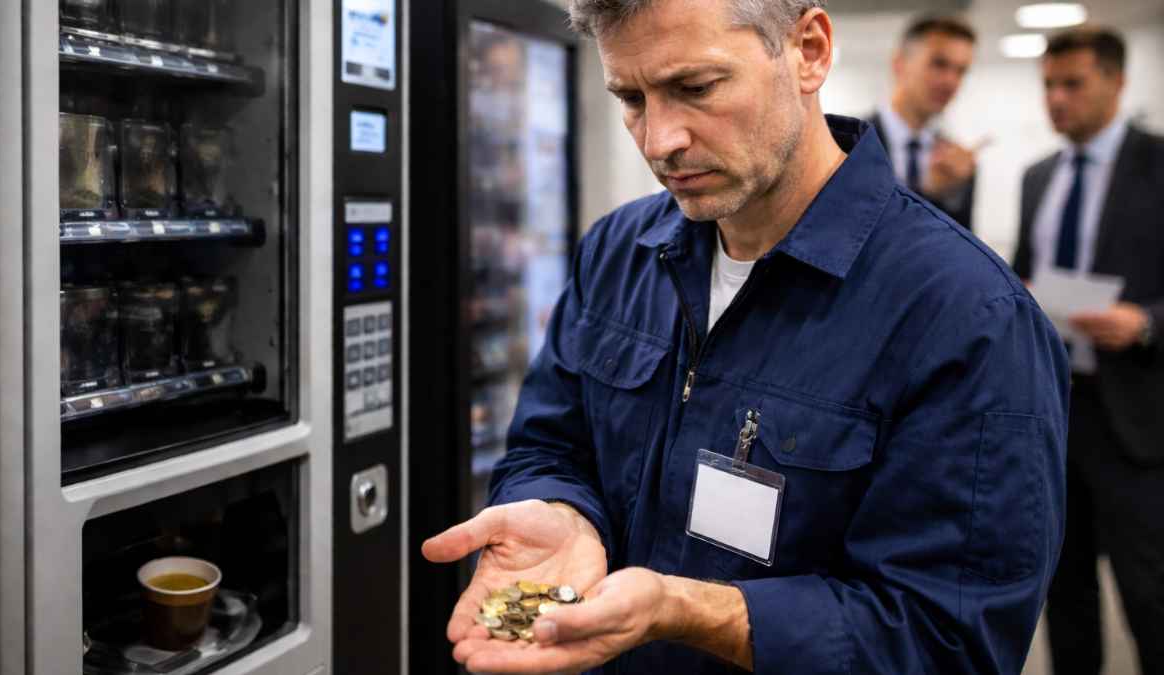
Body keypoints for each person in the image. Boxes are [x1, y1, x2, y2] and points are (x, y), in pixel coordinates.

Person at [424, 1, 1069, 672]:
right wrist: (561, 509)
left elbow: (948, 641)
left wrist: (695, 611)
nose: (658, 141)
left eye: (695, 88)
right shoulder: (618, 253)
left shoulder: (969, 318)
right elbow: (548, 444)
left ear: (810, 51)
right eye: (632, 97)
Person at [1011, 27, 1164, 675]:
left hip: (1138, 415)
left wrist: (1148, 321)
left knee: (1150, 595)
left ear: (1117, 81)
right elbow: (1025, 270)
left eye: (1072, 83)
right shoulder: (1037, 177)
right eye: (1048, 84)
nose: (1057, 98)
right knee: (1062, 589)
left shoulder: (1157, 164)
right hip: (1053, 410)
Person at [868, 15, 981, 231]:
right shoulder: (847, 144)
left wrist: (947, 195)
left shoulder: (958, 165)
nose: (951, 81)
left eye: (961, 71)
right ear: (899, 64)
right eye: (939, 64)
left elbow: (961, 251)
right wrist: (927, 194)